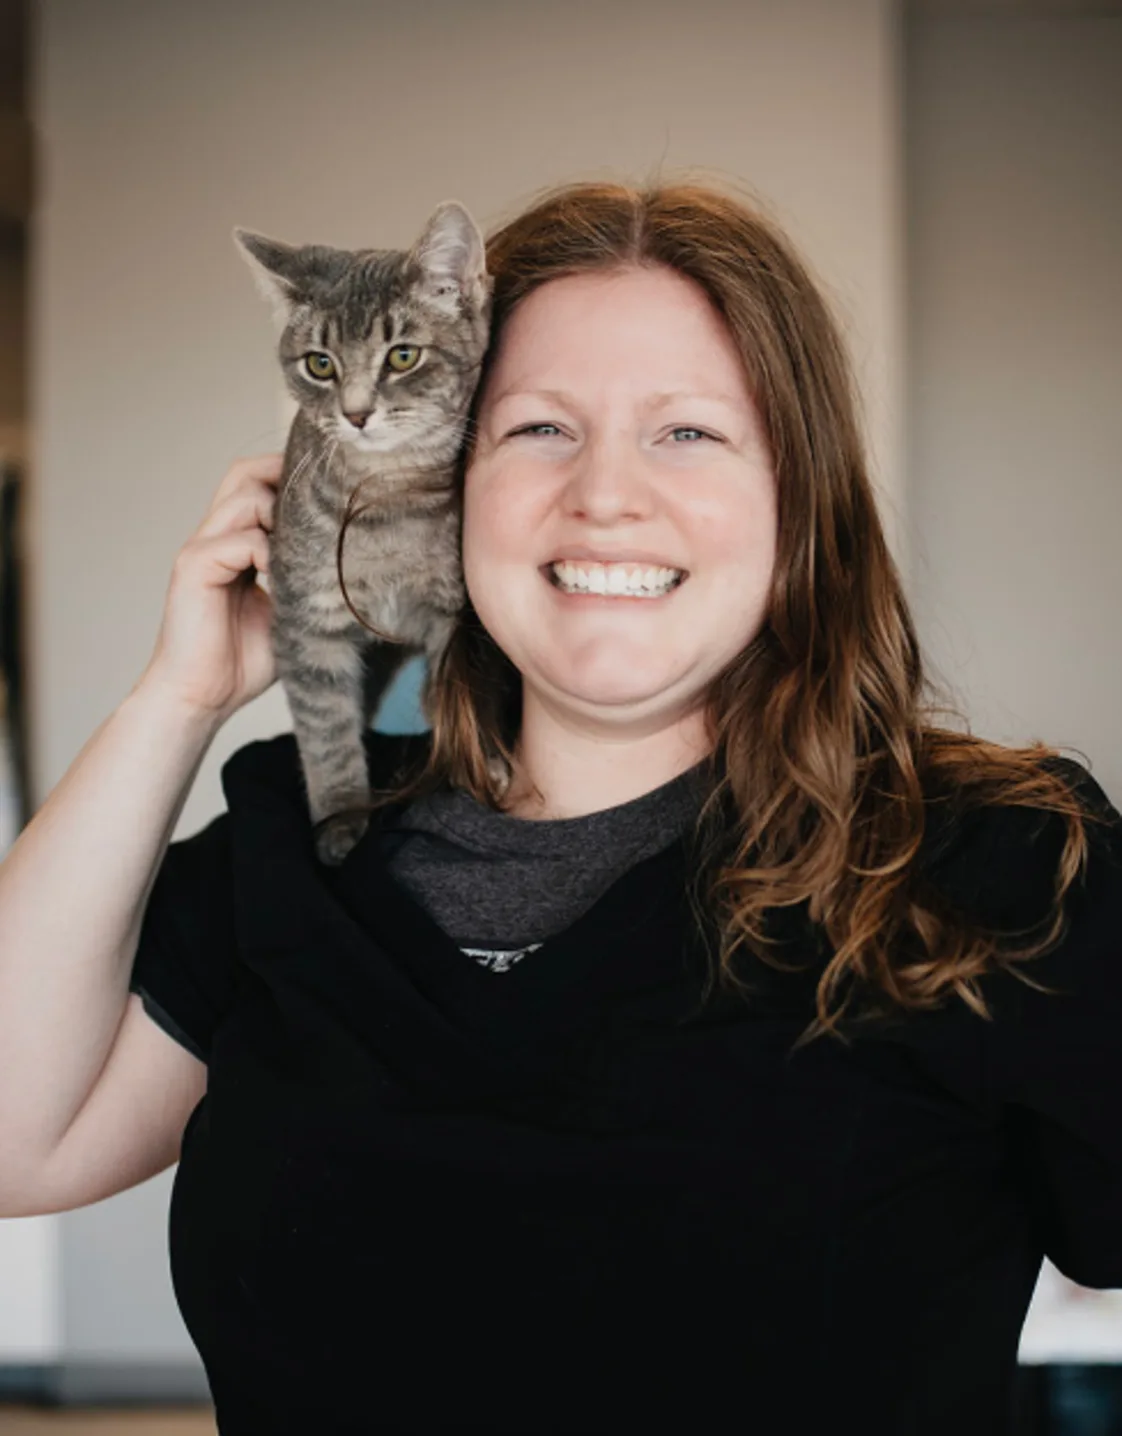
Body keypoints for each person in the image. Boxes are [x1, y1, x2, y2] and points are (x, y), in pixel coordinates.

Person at [0, 180, 1119, 1435]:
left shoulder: (994, 863)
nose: (605, 494)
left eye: (687, 432)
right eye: (539, 429)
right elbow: (12, 1140)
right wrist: (181, 693)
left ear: (799, 496)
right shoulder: (302, 855)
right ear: (443, 473)